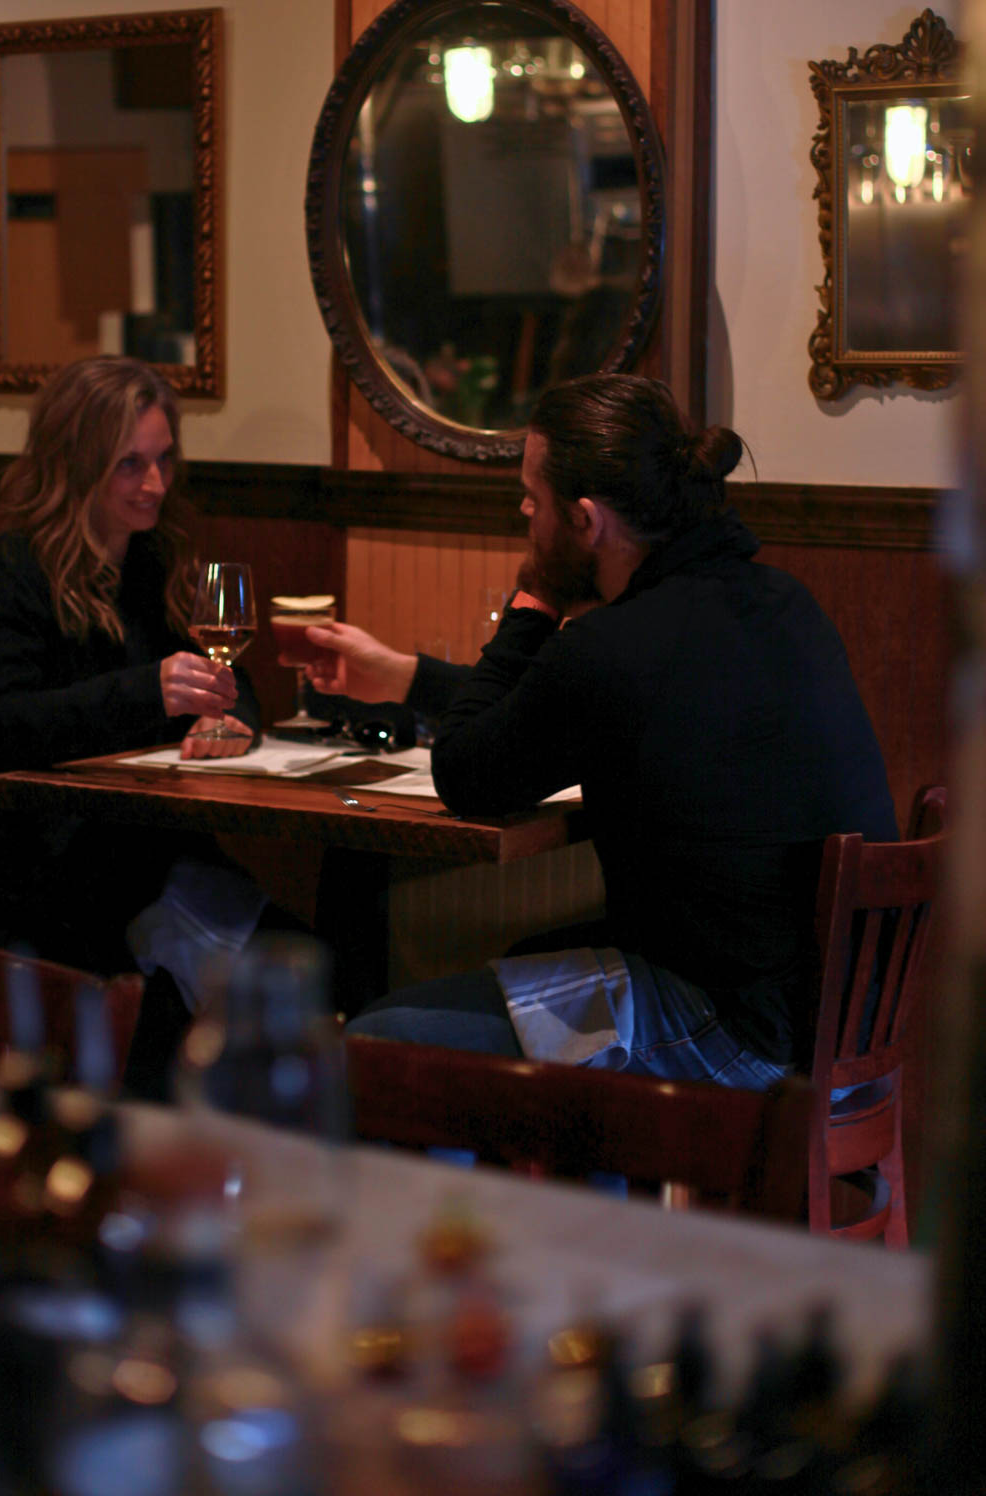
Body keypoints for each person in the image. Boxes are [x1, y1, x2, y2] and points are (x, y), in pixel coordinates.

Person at [309, 375, 898, 1088]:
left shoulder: (615, 648)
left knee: (376, 1041)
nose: (524, 515)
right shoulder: (778, 601)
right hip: (843, 1035)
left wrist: (532, 602)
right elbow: (553, 712)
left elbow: (464, 772)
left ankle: (489, 1204)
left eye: (533, 499)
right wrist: (408, 677)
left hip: (735, 1039)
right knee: (534, 954)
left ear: (586, 521)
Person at [0, 356, 299, 1092]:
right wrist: (147, 694)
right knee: (180, 1017)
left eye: (162, 460)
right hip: (25, 881)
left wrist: (233, 720)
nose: (154, 485)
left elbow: (230, 680)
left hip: (133, 865)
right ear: (75, 465)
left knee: (310, 969)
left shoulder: (153, 561)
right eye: (129, 465)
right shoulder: (8, 570)